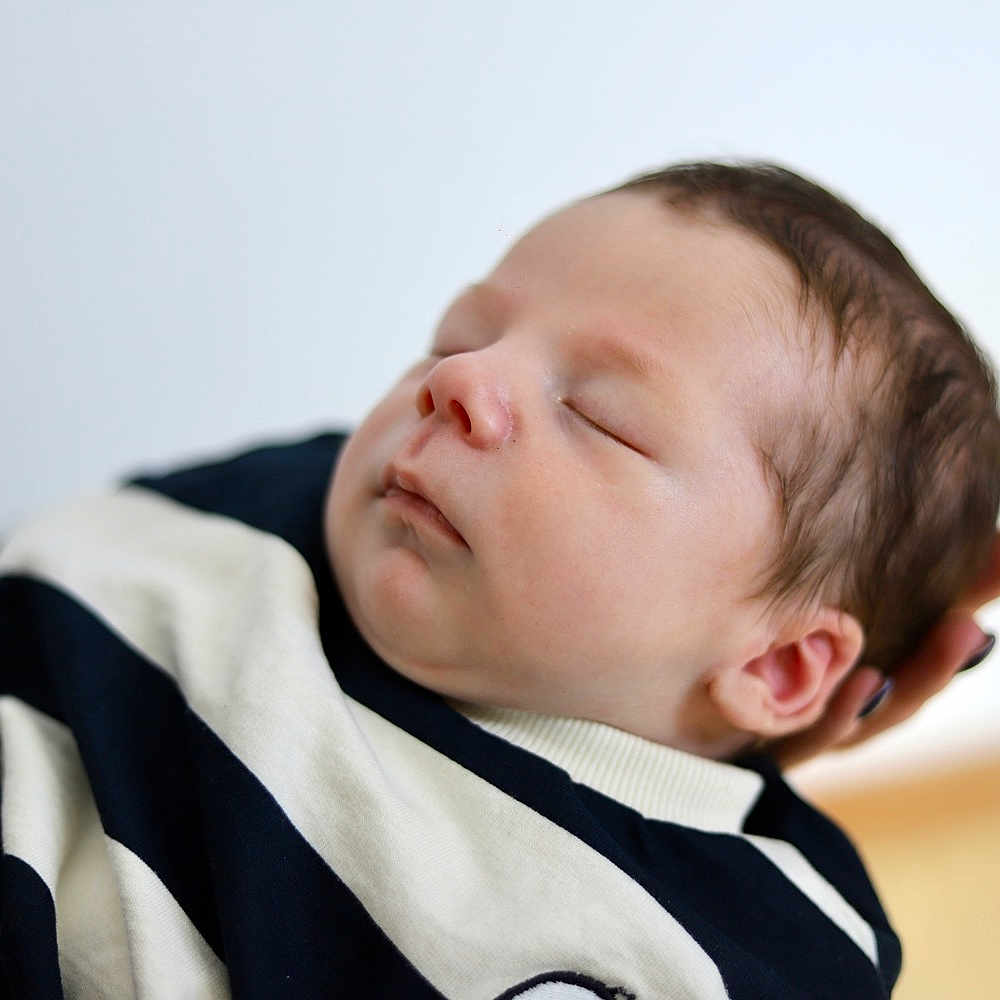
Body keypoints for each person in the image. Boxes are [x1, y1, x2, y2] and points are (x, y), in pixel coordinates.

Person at [1, 162, 998, 999]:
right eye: (458, 337)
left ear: (778, 665)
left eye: (598, 416)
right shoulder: (287, 516)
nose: (458, 381)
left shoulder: (729, 944)